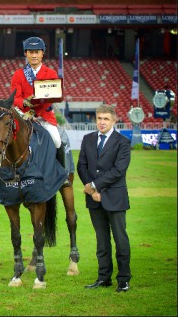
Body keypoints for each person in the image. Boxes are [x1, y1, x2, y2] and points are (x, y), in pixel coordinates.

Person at [77, 104, 131, 293]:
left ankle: (123, 279)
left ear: (114, 120)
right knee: (102, 241)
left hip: (114, 197)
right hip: (94, 199)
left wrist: (94, 186)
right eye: (99, 118)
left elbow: (119, 170)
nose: (102, 122)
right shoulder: (87, 139)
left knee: (120, 240)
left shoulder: (123, 142)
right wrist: (92, 191)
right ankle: (103, 278)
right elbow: (81, 166)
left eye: (106, 119)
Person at [11, 36, 66, 176]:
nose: (34, 55)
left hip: (44, 116)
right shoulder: (18, 75)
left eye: (37, 52)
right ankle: (12, 172)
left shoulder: (51, 73)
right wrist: (24, 103)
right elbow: (15, 98)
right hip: (24, 116)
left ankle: (62, 173)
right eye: (31, 52)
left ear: (42, 53)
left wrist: (35, 113)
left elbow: (53, 97)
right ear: (26, 53)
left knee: (56, 140)